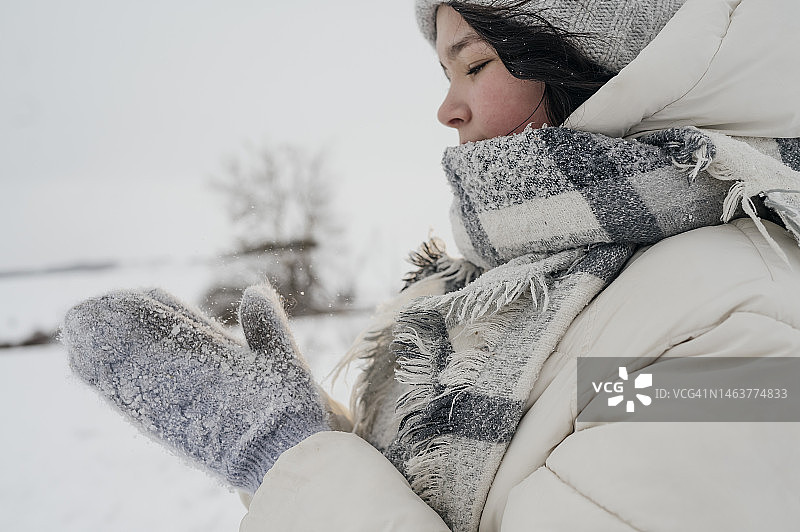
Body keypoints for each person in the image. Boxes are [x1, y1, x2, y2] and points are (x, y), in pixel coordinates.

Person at [62, 0, 800, 531]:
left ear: (599, 60)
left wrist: (281, 458)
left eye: (474, 62)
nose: (447, 108)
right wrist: (322, 438)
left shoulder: (737, 329)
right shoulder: (504, 292)